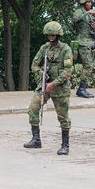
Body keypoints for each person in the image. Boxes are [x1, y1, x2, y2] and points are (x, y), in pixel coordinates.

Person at [24, 21, 73, 155]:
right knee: (33, 109)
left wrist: (54, 83)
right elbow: (34, 64)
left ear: (58, 34)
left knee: (63, 117)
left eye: (53, 34)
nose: (51, 36)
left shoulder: (65, 49)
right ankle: (36, 139)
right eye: (49, 34)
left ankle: (65, 145)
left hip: (60, 88)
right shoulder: (44, 48)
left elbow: (67, 71)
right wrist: (41, 73)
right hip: (44, 85)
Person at [72, 0, 95, 98]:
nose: (90, 3)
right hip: (82, 42)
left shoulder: (89, 14)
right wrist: (88, 12)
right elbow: (75, 19)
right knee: (88, 65)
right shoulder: (79, 11)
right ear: (83, 3)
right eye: (88, 2)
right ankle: (81, 89)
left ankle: (82, 88)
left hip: (90, 42)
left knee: (89, 65)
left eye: (90, 2)